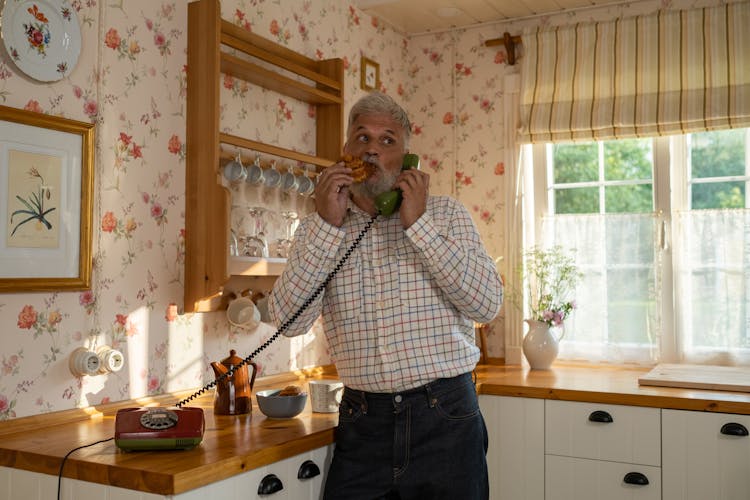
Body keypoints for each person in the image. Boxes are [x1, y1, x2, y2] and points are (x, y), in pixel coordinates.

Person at [268, 91, 503, 500]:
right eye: (362, 138)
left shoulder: (446, 215)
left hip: (446, 418)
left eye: (387, 140)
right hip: (363, 424)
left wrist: (419, 225)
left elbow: (486, 304)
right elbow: (289, 323)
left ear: (407, 158)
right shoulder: (316, 229)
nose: (373, 149)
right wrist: (327, 225)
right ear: (345, 152)